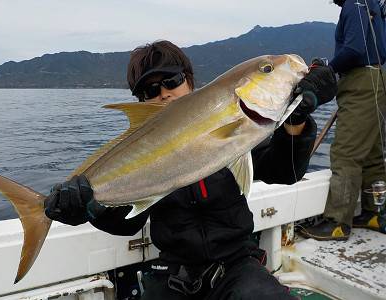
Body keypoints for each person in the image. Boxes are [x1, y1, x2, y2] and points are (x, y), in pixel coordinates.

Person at [45, 40, 337, 299]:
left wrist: (295, 119)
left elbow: (285, 171)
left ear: (189, 81)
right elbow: (127, 222)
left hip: (238, 266)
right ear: (142, 101)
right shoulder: (141, 149)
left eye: (171, 80)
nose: (164, 93)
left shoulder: (243, 128)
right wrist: (89, 207)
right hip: (172, 274)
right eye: (150, 89)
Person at [300, 0, 386, 241]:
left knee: (346, 153)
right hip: (377, 79)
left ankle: (337, 222)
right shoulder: (372, 5)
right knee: (372, 154)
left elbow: (354, 50)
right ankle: (374, 213)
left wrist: (327, 66)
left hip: (360, 83)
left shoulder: (353, 4)